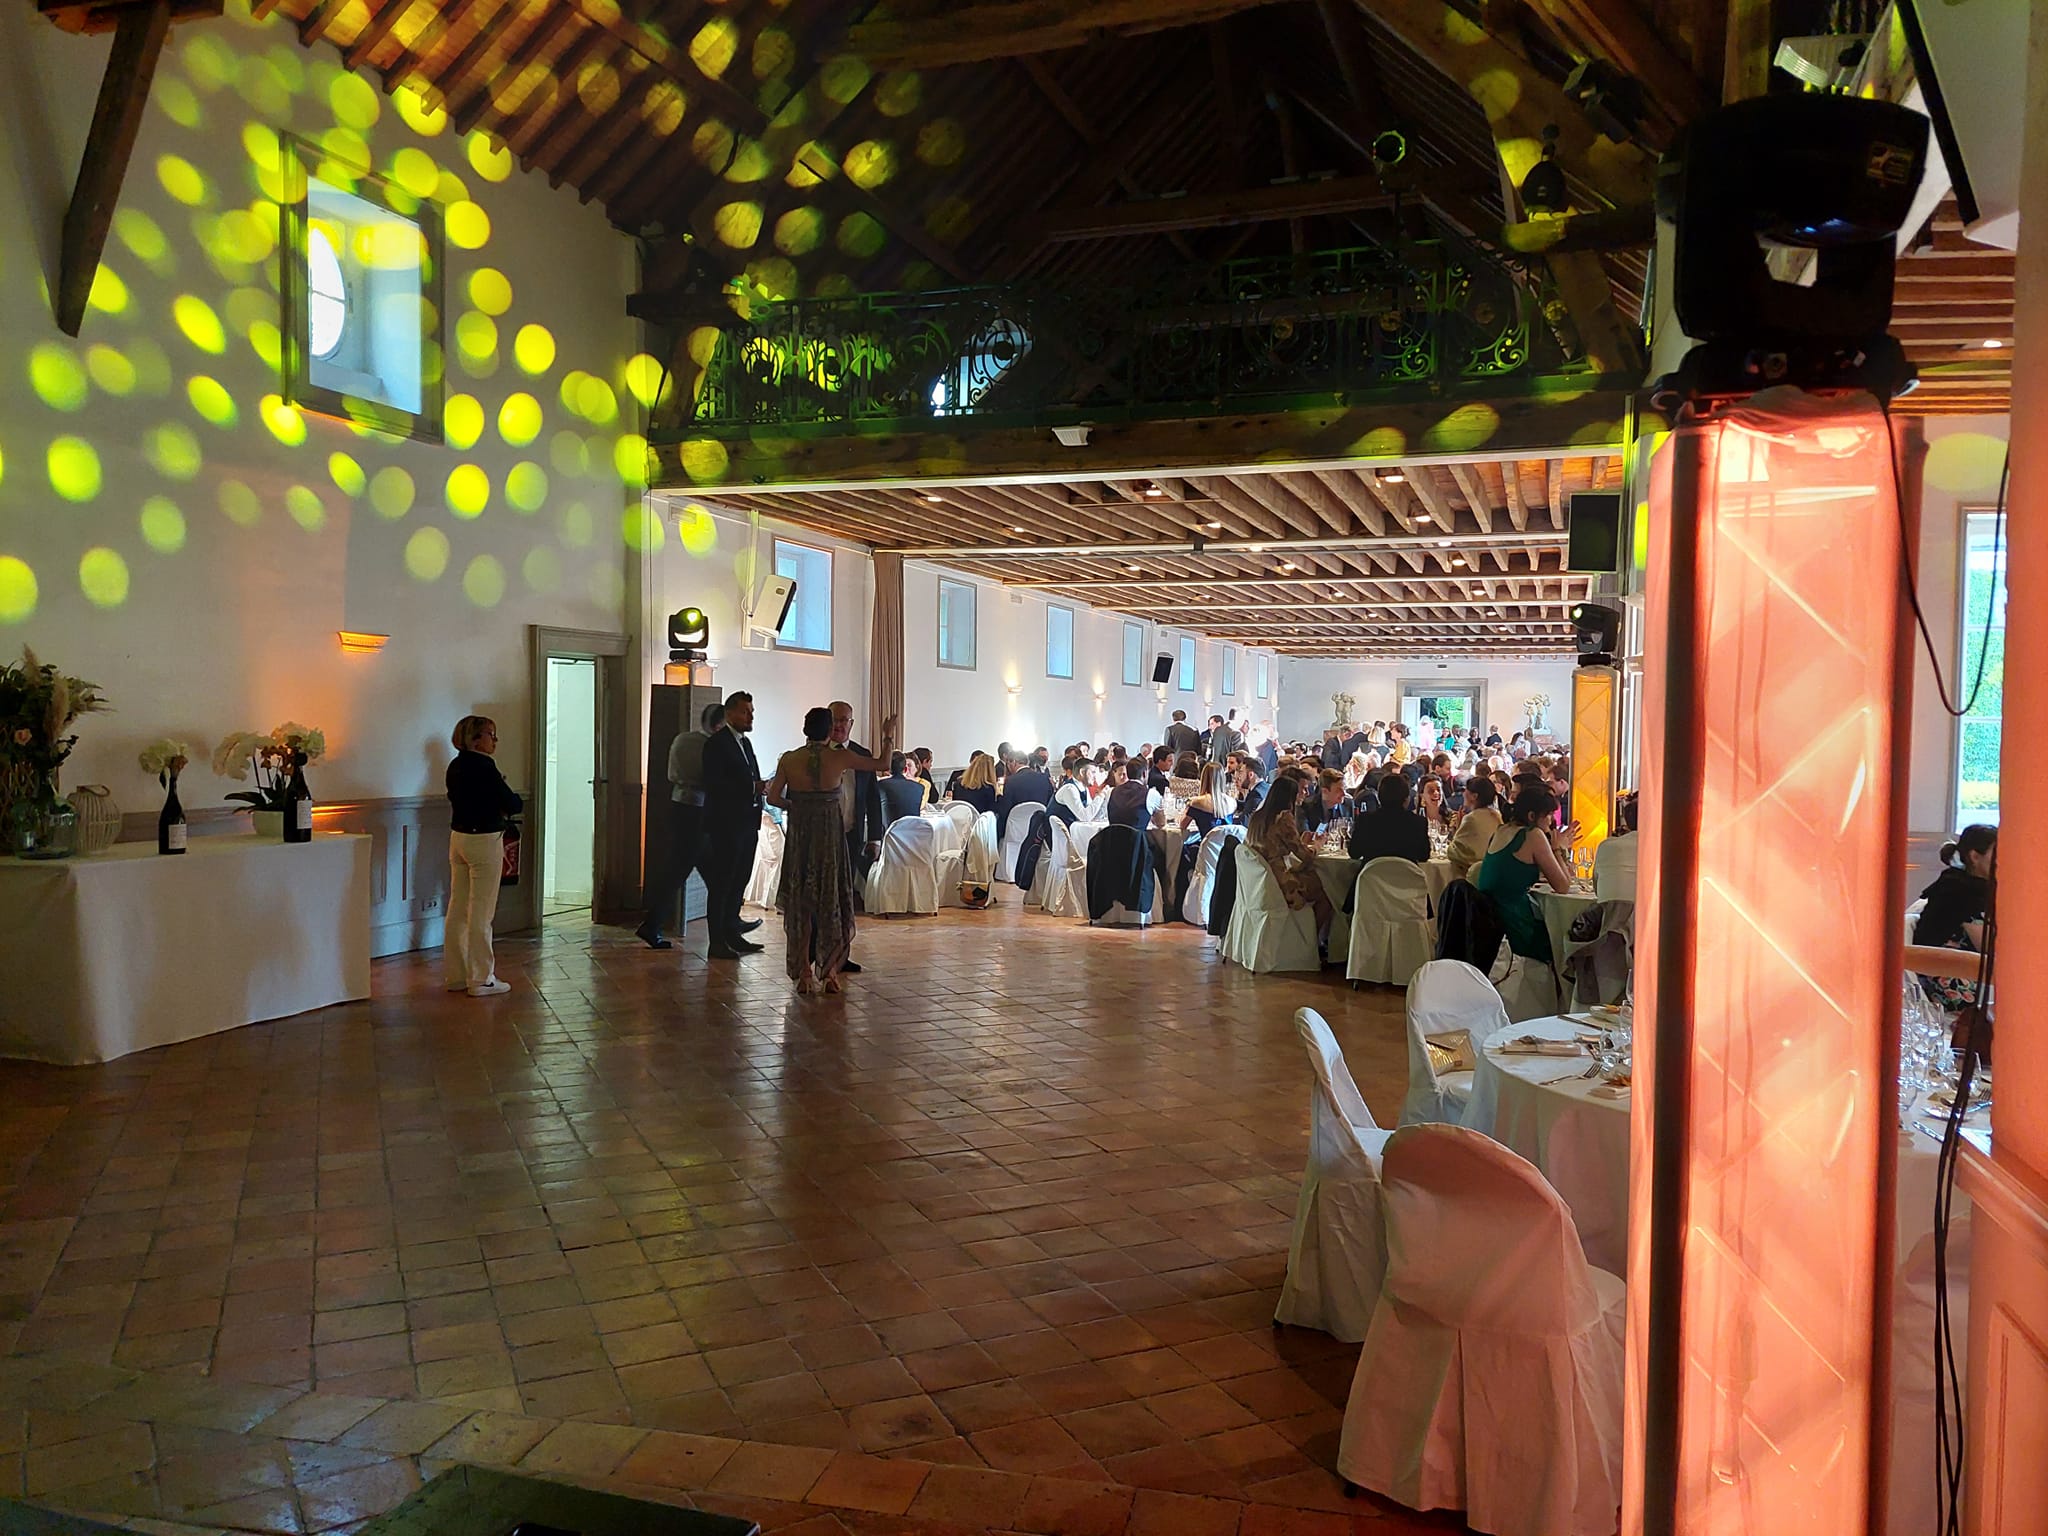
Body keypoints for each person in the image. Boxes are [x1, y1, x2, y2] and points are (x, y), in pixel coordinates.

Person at [765, 706, 896, 995]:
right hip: (830, 840)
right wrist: (887, 736)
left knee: (801, 907)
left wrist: (797, 806)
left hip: (801, 839)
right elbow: (882, 763)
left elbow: (774, 797)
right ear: (828, 731)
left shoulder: (789, 759)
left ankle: (803, 974)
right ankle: (831, 974)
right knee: (831, 905)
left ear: (804, 729)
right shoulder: (840, 757)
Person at [637, 700, 728, 950]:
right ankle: (724, 929)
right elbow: (713, 781)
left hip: (678, 807)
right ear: (720, 724)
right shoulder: (712, 747)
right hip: (699, 812)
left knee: (691, 872)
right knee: (683, 872)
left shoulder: (681, 739)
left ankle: (726, 925)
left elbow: (671, 774)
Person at [444, 715, 521, 996]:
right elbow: (512, 802)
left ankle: (456, 974)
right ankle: (481, 979)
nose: (495, 740)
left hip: (459, 837)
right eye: (491, 734)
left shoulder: (455, 765)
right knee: (482, 911)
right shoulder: (485, 766)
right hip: (484, 839)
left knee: (457, 907)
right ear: (475, 739)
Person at [1476, 784, 1577, 964]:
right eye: (1548, 815)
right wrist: (1558, 849)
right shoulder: (1533, 835)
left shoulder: (1502, 829)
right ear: (1532, 816)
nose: (1551, 821)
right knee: (1565, 942)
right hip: (1514, 925)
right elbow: (1563, 886)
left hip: (1488, 921)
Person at [701, 691, 767, 960]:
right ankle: (716, 941)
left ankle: (732, 934)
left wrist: (759, 788)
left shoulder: (745, 743)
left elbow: (751, 773)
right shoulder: (717, 744)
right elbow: (715, 783)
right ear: (729, 714)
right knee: (722, 883)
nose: (750, 716)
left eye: (751, 711)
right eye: (745, 711)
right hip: (726, 824)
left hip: (747, 821)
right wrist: (753, 787)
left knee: (740, 879)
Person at [1914, 824, 1996, 1011]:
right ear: (1975, 857)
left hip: (1964, 965)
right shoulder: (1962, 891)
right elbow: (1989, 946)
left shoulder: (1972, 886)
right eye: (1997, 854)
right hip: (1944, 970)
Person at [1247, 775, 1335, 937]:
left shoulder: (1258, 816)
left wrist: (1302, 841)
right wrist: (1317, 846)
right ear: (1290, 796)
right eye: (1300, 791)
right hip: (1282, 882)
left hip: (1261, 882)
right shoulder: (1284, 817)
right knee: (1329, 892)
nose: (1305, 794)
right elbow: (1305, 857)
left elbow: (1278, 844)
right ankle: (1310, 940)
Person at [828, 702, 886, 901]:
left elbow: (873, 799)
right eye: (835, 719)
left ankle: (843, 924)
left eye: (844, 720)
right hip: (824, 832)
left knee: (847, 885)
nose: (839, 725)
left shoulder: (862, 755)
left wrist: (875, 838)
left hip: (852, 831)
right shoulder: (818, 752)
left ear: (851, 724)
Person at [1349, 770, 1429, 865]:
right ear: (1406, 799)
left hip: (1371, 877)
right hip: (1407, 878)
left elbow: (1354, 853)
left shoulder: (1366, 820)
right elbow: (1423, 856)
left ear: (1379, 797)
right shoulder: (1418, 822)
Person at [1445, 776, 1502, 881]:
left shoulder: (1471, 818)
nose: (1463, 794)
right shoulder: (1496, 816)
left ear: (1474, 796)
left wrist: (1457, 828)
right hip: (1494, 873)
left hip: (1472, 878)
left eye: (1466, 791)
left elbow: (1455, 853)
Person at [1593, 791, 1639, 903]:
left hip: (1610, 918)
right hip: (1648, 917)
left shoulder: (1605, 846)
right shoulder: (1658, 849)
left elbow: (1597, 890)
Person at [998, 748, 1053, 835]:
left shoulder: (1011, 781)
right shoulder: (1044, 778)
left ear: (1014, 762)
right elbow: (1050, 803)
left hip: (1015, 830)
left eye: (1008, 764)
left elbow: (1005, 809)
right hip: (1039, 829)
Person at [877, 752, 928, 827]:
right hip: (914, 834)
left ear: (888, 769)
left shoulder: (880, 785)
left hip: (889, 833)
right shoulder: (919, 787)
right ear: (905, 769)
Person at [1299, 768, 1350, 838]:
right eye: (1339, 790)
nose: (1344, 794)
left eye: (1344, 789)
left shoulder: (1348, 804)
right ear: (1325, 791)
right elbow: (1305, 837)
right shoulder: (1305, 806)